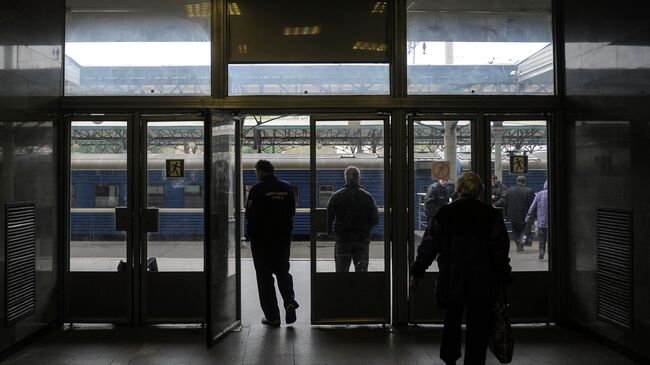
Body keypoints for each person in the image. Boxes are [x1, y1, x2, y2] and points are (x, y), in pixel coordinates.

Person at [410, 172, 512, 365]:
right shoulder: (490, 215)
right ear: (480, 191)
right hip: (482, 280)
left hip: (452, 278)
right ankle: (474, 361)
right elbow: (500, 251)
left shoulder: (446, 214)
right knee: (478, 326)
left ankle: (450, 358)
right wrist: (504, 278)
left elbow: (429, 245)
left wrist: (417, 272)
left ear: (458, 189)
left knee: (452, 321)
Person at [245, 159, 299, 327]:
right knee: (283, 272)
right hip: (282, 239)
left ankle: (273, 317)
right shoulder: (286, 187)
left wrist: (250, 236)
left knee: (265, 278)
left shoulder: (257, 189)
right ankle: (289, 301)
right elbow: (292, 211)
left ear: (260, 171)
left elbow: (250, 215)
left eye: (256, 172)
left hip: (262, 241)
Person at [327, 166, 379, 272]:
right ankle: (359, 289)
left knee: (341, 272)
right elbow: (375, 218)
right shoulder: (367, 197)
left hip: (342, 240)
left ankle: (343, 289)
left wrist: (331, 231)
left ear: (345, 178)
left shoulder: (336, 196)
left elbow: (329, 217)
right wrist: (366, 229)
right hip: (362, 240)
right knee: (361, 272)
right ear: (358, 178)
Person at [504, 175, 534, 252]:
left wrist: (506, 214)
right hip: (525, 215)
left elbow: (505, 203)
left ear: (516, 181)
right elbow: (532, 205)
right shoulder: (529, 191)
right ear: (524, 182)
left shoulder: (509, 190)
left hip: (513, 215)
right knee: (524, 231)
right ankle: (521, 243)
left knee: (515, 230)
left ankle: (518, 243)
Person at [526, 180, 549, 260]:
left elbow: (532, 207)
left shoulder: (539, 194)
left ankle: (541, 252)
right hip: (553, 223)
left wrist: (528, 217)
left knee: (542, 238)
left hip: (542, 223)